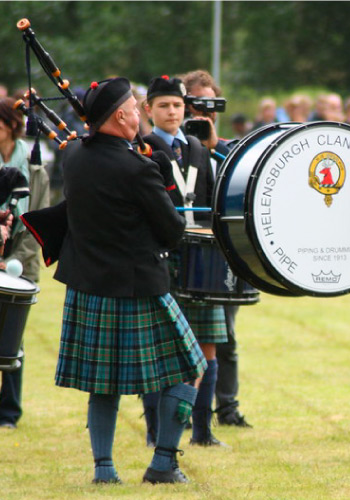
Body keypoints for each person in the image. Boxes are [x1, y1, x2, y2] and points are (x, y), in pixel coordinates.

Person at [51, 77, 206, 484]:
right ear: (120, 115)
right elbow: (173, 230)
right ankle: (163, 464)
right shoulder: (138, 168)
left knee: (104, 382)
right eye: (136, 108)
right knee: (189, 367)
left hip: (88, 284)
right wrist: (160, 174)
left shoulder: (75, 157)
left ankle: (104, 470)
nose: (140, 114)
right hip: (139, 285)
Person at [142, 75, 229, 446]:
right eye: (163, 105)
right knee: (161, 349)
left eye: (177, 105)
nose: (172, 112)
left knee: (207, 347)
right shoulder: (141, 148)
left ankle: (203, 432)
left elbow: (212, 197)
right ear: (149, 110)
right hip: (162, 256)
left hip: (202, 257)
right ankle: (155, 432)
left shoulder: (197, 147)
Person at [181, 68, 252, 428]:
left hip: (219, 252)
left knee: (225, 334)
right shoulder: (173, 147)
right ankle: (189, 410)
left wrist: (212, 146)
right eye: (197, 105)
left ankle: (227, 408)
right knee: (186, 339)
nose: (204, 115)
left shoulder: (227, 148)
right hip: (182, 250)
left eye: (211, 107)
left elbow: (244, 180)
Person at [0, 97, 50, 429]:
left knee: (11, 338)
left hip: (21, 256)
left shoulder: (33, 167)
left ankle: (9, 411)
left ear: (9, 126)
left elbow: (39, 220)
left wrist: (14, 260)